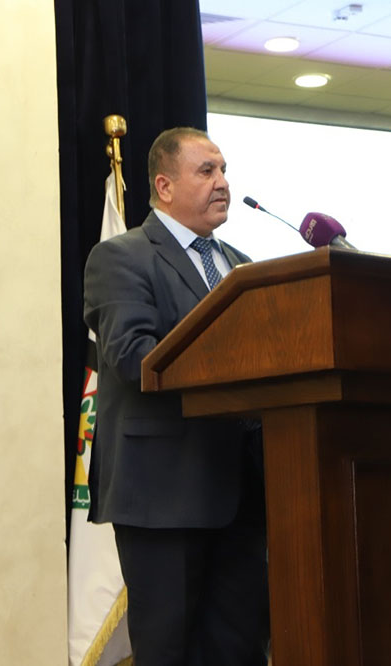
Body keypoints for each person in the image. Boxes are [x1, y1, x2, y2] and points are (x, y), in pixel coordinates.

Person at [83, 127, 270, 665]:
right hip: (164, 493)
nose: (223, 182)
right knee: (170, 652)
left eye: (224, 170)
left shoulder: (245, 266)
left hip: (243, 493)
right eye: (206, 171)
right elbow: (133, 355)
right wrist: (235, 365)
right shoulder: (121, 257)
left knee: (240, 650)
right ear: (164, 186)